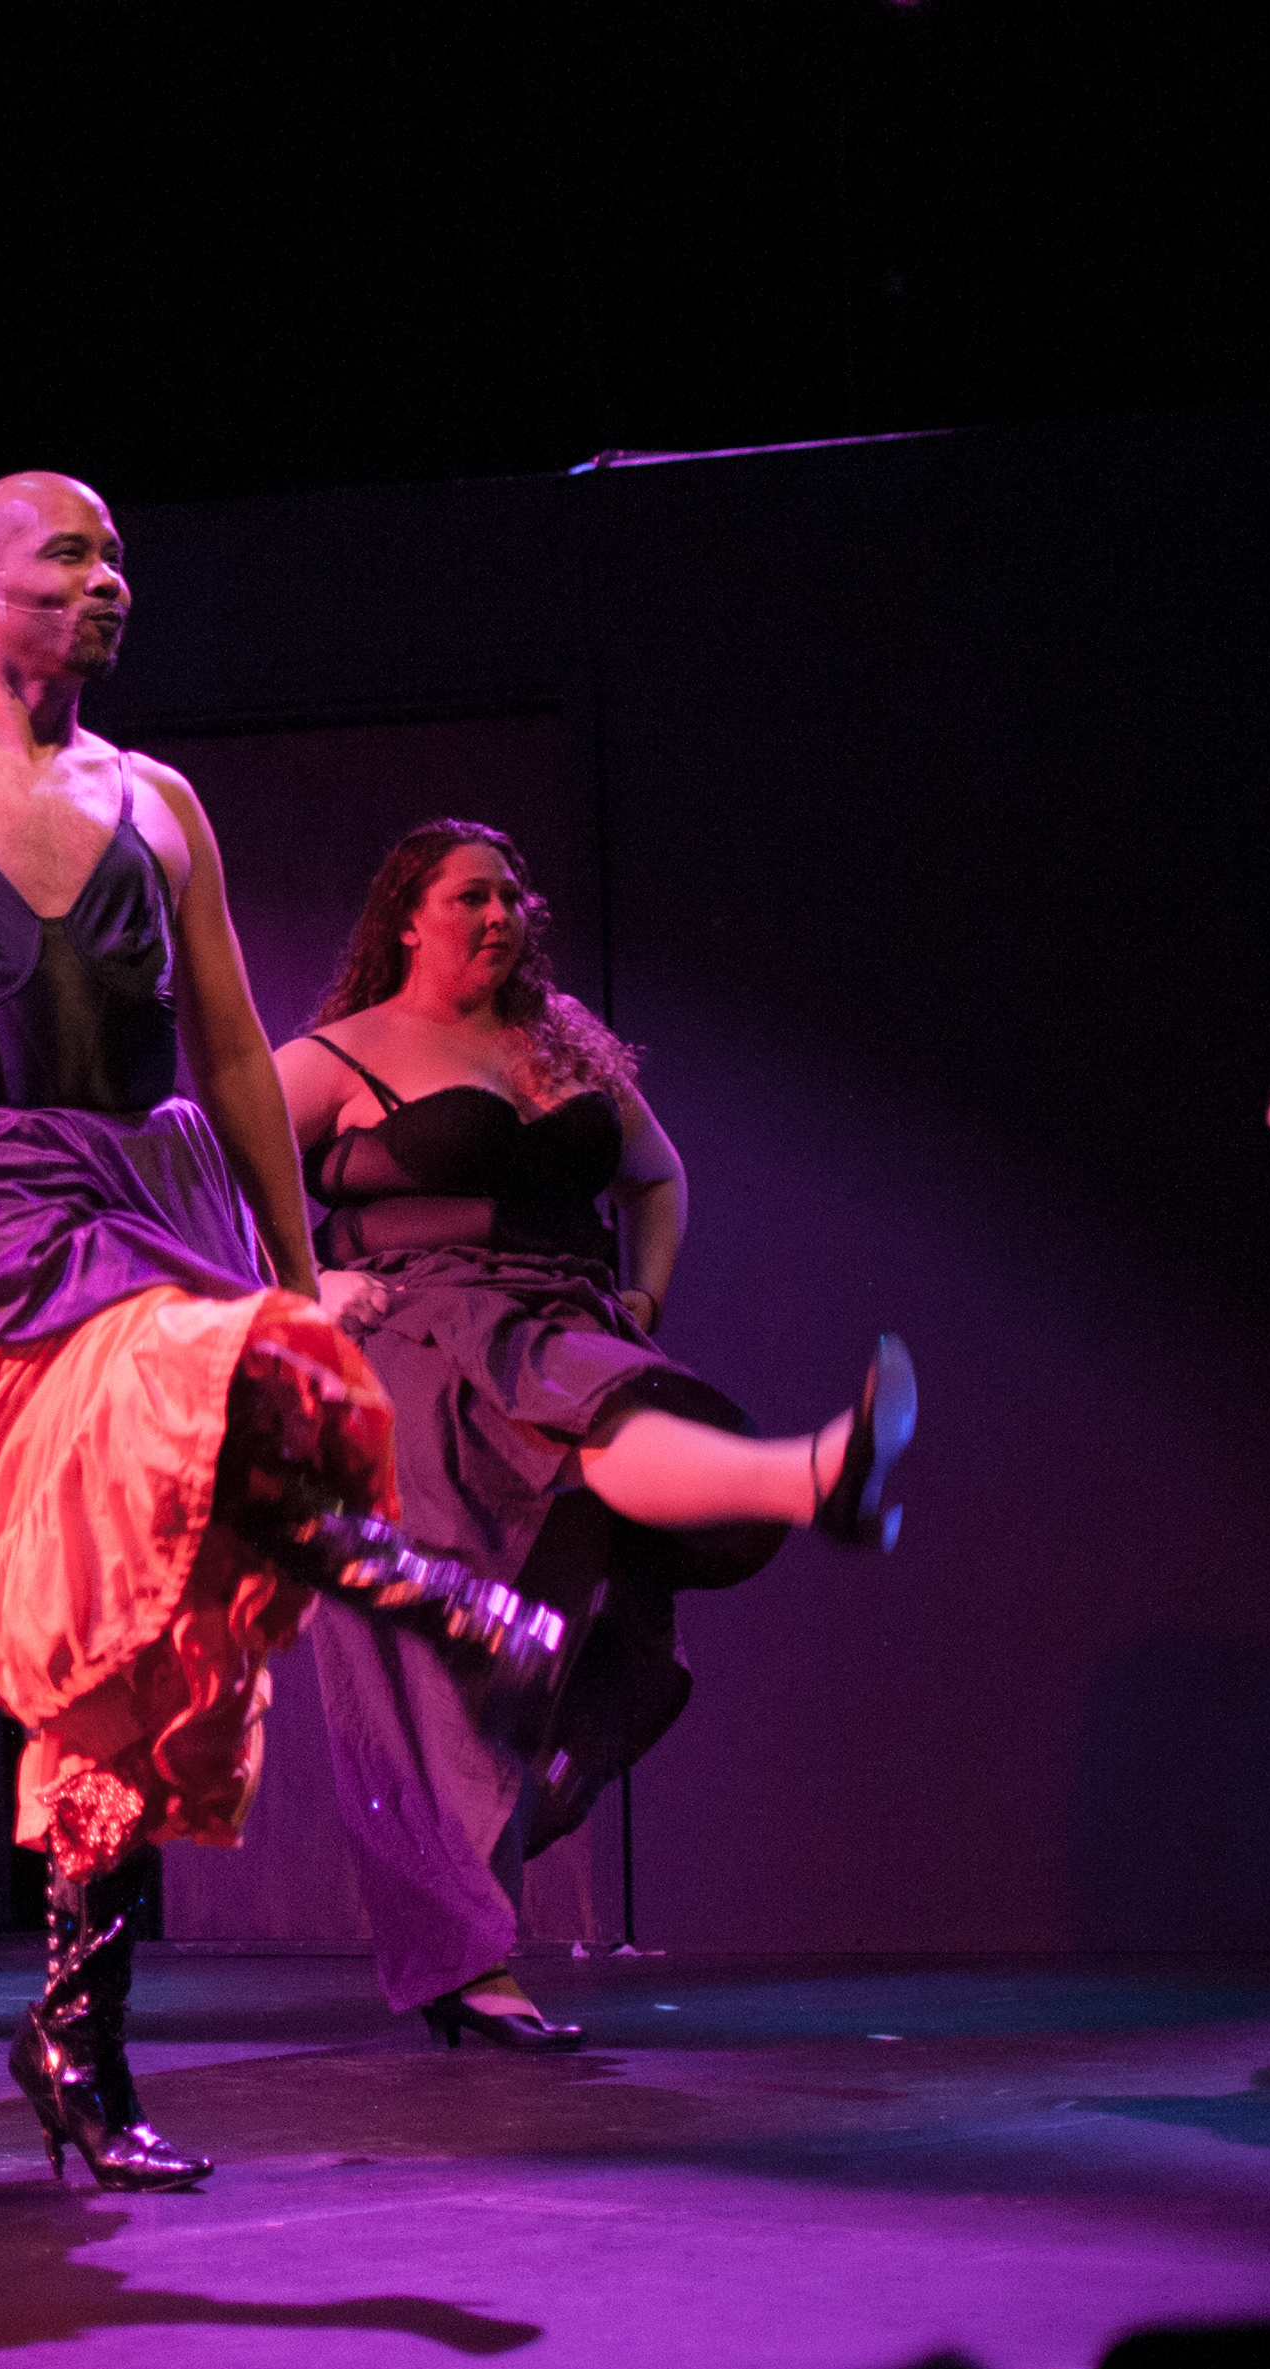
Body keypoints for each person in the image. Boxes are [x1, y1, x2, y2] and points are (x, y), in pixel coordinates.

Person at [0, 471, 569, 2193]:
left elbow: (230, 1055)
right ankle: (442, 1603)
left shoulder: (162, 805)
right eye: (70, 558)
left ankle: (75, 2032)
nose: (109, 582)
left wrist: (295, 1269)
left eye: (118, 559)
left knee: (132, 1629)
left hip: (152, 1201)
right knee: (162, 1412)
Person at [276, 820, 913, 2049]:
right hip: (422, 1348)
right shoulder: (338, 1054)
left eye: (513, 896)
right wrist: (306, 1284)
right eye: (471, 896)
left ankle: (809, 1478)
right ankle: (809, 1477)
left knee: (538, 1648)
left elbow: (657, 1177)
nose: (501, 915)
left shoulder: (559, 1041)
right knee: (454, 1653)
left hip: (563, 1322)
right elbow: (205, 1174)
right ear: (406, 918)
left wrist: (645, 1298)